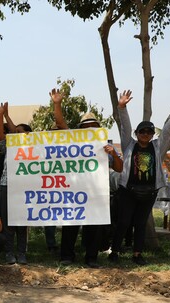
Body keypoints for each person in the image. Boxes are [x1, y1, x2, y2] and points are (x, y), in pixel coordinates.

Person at [109, 90, 170, 265]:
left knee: (140, 223)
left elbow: (168, 130)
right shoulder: (129, 145)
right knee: (123, 222)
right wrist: (121, 108)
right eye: (142, 131)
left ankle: (137, 254)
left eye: (148, 132)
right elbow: (125, 128)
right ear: (137, 133)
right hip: (128, 191)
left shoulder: (158, 147)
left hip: (149, 192)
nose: (145, 134)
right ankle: (114, 251)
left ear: (152, 135)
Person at [50, 89, 123, 268]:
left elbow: (119, 168)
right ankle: (67, 255)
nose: (90, 128)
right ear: (81, 129)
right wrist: (57, 104)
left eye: (93, 125)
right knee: (71, 224)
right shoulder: (73, 141)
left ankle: (91, 257)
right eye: (86, 126)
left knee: (96, 227)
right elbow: (60, 123)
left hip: (97, 193)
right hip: (74, 191)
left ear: (99, 128)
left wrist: (113, 153)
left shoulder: (107, 145)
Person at [0, 102, 30, 264]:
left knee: (22, 221)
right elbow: (0, 134)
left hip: (25, 187)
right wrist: (1, 116)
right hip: (6, 185)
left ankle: (22, 252)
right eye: (13, 132)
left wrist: (6, 116)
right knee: (7, 220)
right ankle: (9, 252)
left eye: (19, 132)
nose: (14, 134)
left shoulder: (35, 146)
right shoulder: (9, 145)